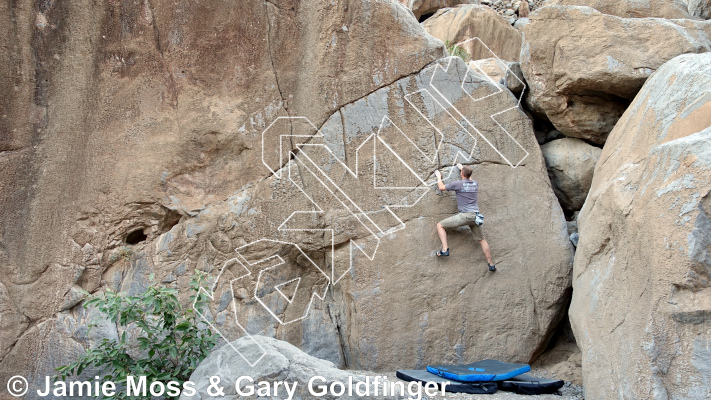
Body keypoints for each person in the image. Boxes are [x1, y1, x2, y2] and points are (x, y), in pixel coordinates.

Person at [434, 163, 496, 272]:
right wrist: (462, 168)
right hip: (476, 217)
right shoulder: (475, 183)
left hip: (465, 216)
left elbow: (441, 187)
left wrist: (439, 177)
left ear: (462, 174)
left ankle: (445, 249)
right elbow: (469, 179)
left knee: (440, 225)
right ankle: (491, 264)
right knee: (482, 240)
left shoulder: (458, 184)